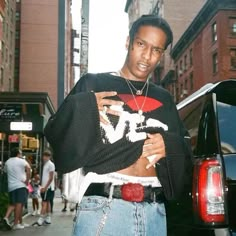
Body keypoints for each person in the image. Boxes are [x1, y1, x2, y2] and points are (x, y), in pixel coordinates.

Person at [44, 15, 193, 236]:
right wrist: (85, 105)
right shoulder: (94, 83)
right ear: (128, 42)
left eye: (156, 50)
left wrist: (168, 144)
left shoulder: (164, 98)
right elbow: (55, 133)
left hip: (155, 212)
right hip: (105, 209)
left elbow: (186, 148)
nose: (147, 56)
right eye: (141, 44)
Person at [3, 148, 31, 230]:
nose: (21, 155)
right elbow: (29, 169)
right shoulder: (21, 161)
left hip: (11, 186)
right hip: (20, 185)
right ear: (18, 154)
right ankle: (16, 224)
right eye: (21, 153)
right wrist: (27, 180)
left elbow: (5, 171)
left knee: (13, 204)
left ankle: (8, 217)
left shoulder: (7, 162)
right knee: (19, 204)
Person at [36, 150, 55, 226]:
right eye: (44, 156)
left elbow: (51, 178)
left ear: (49, 157)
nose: (45, 157)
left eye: (47, 156)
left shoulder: (50, 165)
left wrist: (45, 187)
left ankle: (41, 218)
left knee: (44, 202)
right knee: (47, 202)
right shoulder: (44, 164)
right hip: (44, 186)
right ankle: (48, 218)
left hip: (48, 187)